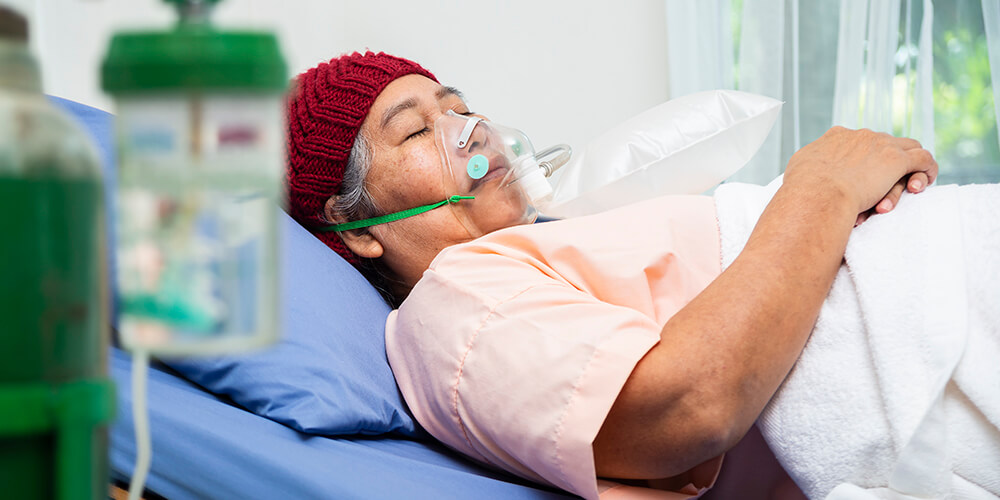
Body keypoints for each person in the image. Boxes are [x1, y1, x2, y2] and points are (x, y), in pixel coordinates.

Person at [285, 52, 993, 499]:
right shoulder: (447, 304)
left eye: (461, 108)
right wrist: (821, 187)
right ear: (359, 226)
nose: (472, 131)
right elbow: (687, 407)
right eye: (415, 131)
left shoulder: (543, 246)